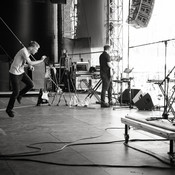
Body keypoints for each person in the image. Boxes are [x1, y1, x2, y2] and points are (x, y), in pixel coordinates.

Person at [6, 41, 46, 117]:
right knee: (15, 92)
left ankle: (20, 95)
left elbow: (23, 64)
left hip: (21, 72)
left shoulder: (27, 53)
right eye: (36, 49)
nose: (36, 51)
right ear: (31, 48)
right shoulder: (24, 51)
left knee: (31, 85)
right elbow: (30, 62)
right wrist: (41, 60)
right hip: (14, 73)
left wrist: (29, 66)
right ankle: (9, 110)